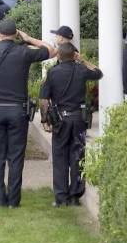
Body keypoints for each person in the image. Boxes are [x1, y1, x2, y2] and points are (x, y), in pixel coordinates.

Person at [0, 20, 56, 207]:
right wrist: (28, 39)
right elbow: (52, 50)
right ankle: (14, 200)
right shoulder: (23, 52)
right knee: (16, 156)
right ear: (15, 34)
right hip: (18, 110)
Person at [40, 43, 103, 207]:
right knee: (78, 157)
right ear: (74, 55)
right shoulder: (81, 69)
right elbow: (98, 73)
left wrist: (45, 119)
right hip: (78, 120)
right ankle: (75, 196)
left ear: (59, 56)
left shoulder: (52, 73)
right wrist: (83, 61)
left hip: (60, 120)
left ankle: (61, 197)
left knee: (60, 157)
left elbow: (44, 99)